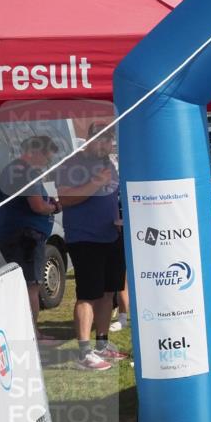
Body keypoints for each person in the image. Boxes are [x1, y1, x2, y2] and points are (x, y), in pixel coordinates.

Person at [56, 124, 128, 370]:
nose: (105, 146)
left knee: (109, 292)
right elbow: (65, 198)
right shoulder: (71, 164)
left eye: (109, 141)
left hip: (111, 234)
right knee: (88, 294)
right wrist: (97, 182)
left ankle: (102, 344)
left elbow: (111, 196)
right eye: (100, 140)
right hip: (84, 238)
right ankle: (84, 353)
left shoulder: (109, 165)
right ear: (89, 140)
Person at [0, 135, 62, 339]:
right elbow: (38, 206)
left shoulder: (14, 170)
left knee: (26, 283)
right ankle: (33, 334)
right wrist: (55, 206)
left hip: (16, 235)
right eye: (47, 158)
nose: (47, 163)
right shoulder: (26, 172)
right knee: (32, 285)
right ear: (36, 152)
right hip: (26, 238)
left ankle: (29, 331)